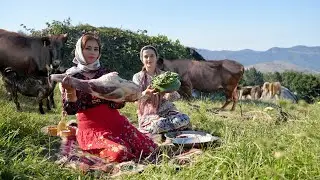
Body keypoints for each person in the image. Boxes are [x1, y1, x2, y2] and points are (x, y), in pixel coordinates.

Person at [60, 33, 157, 163]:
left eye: (96, 49)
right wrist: (70, 90)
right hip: (92, 128)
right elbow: (71, 110)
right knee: (120, 153)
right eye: (88, 48)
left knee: (151, 149)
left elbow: (117, 104)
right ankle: (79, 135)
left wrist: (124, 97)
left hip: (116, 123)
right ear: (80, 50)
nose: (92, 52)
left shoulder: (106, 73)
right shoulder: (71, 76)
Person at [132, 45, 191, 135]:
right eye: (146, 56)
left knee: (185, 118)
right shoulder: (138, 77)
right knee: (158, 124)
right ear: (142, 59)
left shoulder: (165, 75)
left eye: (152, 56)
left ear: (156, 58)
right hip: (149, 114)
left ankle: (165, 128)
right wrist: (146, 94)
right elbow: (135, 100)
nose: (149, 59)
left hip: (167, 110)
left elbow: (173, 98)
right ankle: (169, 128)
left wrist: (170, 92)